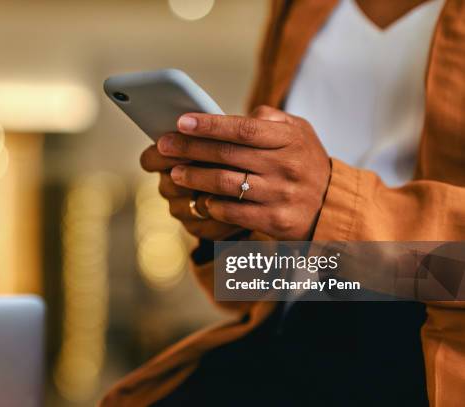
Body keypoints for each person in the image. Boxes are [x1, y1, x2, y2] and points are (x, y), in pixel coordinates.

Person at [103, 0, 465, 405]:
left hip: (421, 368)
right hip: (288, 342)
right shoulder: (297, 8)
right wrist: (228, 222)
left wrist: (333, 204)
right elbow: (249, 290)